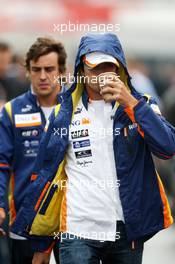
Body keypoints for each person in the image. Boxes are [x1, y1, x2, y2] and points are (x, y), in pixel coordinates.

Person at [12, 33, 175, 264]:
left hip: (125, 230)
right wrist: (43, 244)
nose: (102, 74)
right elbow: (45, 177)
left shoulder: (142, 106)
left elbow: (167, 148)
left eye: (108, 67)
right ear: (81, 71)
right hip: (77, 229)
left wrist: (131, 103)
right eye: (95, 68)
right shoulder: (62, 114)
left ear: (119, 70)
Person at [0, 37, 67, 264]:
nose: (42, 76)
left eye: (49, 69)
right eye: (36, 69)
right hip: (25, 218)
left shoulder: (76, 108)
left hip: (72, 220)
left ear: (62, 71)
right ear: (27, 71)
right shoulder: (12, 111)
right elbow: (1, 164)